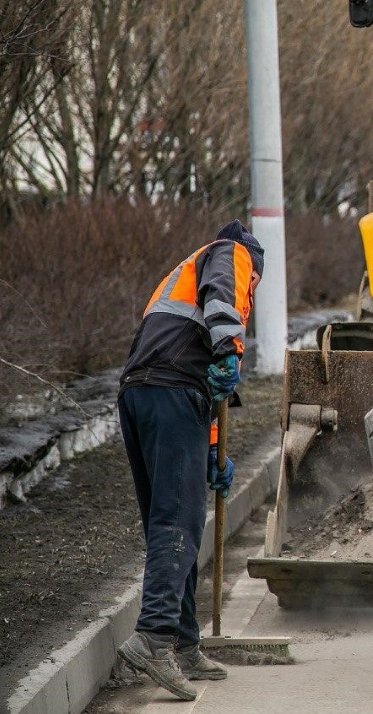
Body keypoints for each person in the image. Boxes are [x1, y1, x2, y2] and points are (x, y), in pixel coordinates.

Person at [115, 220, 264, 700]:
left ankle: (182, 642)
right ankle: (154, 639)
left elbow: (203, 381)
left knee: (171, 518)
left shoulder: (182, 275)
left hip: (146, 395)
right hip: (172, 393)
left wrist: (213, 456)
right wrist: (230, 347)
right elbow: (222, 304)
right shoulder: (231, 253)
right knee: (177, 522)